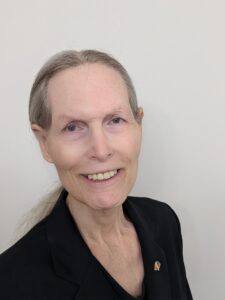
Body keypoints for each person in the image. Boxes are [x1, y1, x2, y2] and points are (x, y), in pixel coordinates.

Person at [0, 50, 193, 300]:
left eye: (115, 120)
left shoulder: (163, 222)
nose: (101, 151)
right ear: (44, 142)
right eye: (73, 127)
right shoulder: (11, 281)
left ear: (138, 125)